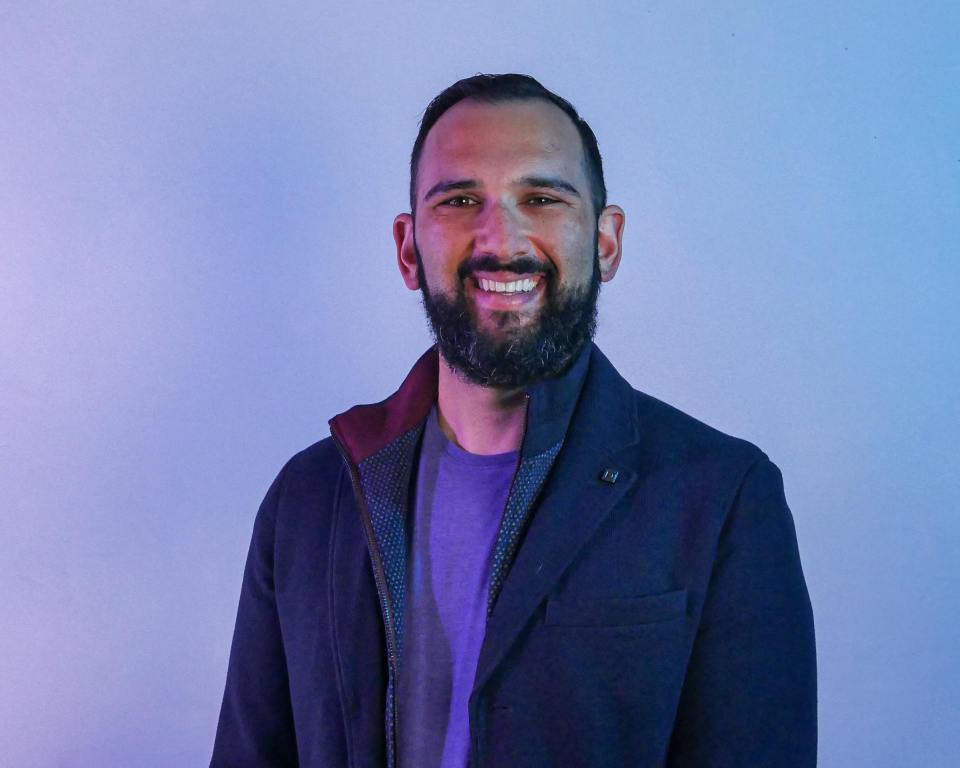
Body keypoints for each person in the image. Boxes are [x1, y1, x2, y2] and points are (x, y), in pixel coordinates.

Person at [211, 73, 816, 768]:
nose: (502, 237)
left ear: (607, 240)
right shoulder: (308, 501)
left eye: (542, 198)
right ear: (409, 249)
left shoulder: (721, 497)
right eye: (461, 200)